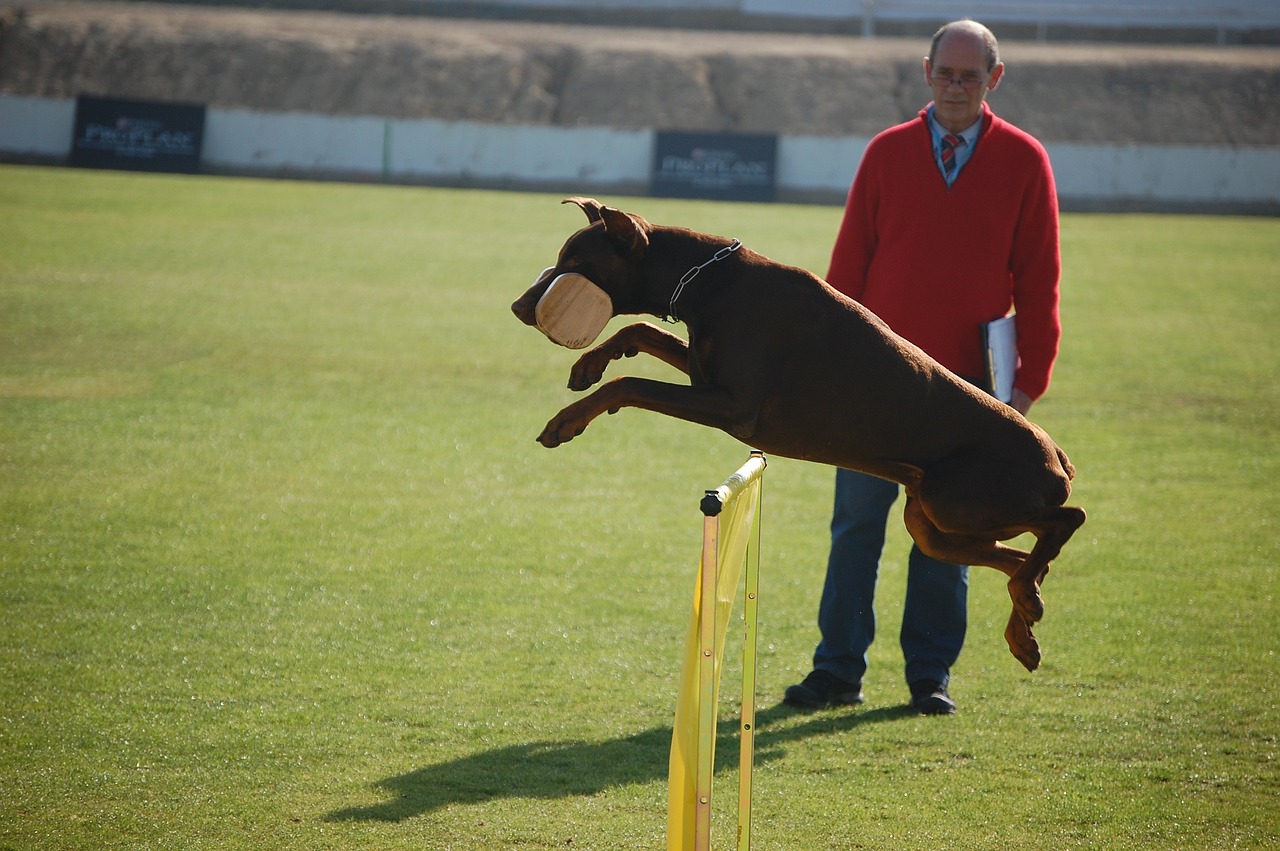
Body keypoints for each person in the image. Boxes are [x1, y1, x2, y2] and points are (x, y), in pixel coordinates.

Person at [784, 19, 1062, 715]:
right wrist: (824, 374)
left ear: (994, 79)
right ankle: (837, 669)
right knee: (855, 528)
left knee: (952, 537)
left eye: (972, 75)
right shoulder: (886, 153)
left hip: (966, 400)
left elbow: (1039, 283)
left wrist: (1025, 389)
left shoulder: (1026, 162)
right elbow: (844, 275)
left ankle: (928, 676)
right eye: (947, 73)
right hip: (869, 394)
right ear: (926, 72)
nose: (957, 86)